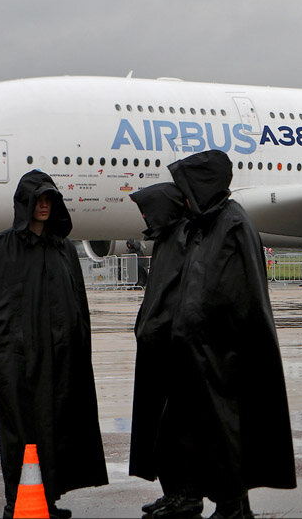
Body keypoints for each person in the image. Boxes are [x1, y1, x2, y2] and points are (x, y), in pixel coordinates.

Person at [147, 150, 296, 519]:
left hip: (224, 352)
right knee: (204, 431)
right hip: (198, 350)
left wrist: (222, 339)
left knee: (226, 431)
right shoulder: (206, 223)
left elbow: (238, 292)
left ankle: (233, 505)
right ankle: (221, 500)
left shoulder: (232, 223)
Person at [0, 170, 108, 519]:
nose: (45, 206)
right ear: (26, 203)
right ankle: (16, 502)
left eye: (50, 199)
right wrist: (10, 356)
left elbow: (77, 304)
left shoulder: (63, 249)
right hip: (21, 360)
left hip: (63, 358)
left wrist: (78, 349)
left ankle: (48, 498)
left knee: (58, 427)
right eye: (39, 199)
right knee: (21, 429)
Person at [127, 183, 190, 515]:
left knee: (174, 431)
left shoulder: (182, 243)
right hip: (157, 350)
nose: (145, 217)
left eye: (148, 210)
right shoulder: (167, 243)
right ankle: (172, 491)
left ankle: (185, 496)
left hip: (173, 353)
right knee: (158, 431)